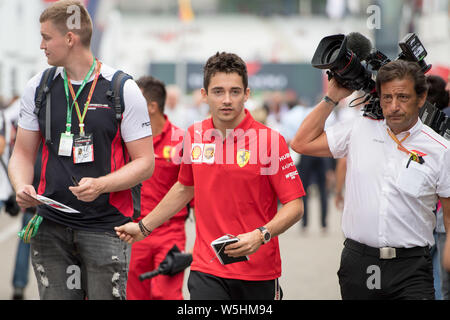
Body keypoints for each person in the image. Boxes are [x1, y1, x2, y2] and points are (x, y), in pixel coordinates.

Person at [116, 52, 305, 300]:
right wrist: (143, 227)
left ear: (247, 94)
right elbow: (184, 188)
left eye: (235, 91)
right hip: (207, 268)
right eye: (218, 91)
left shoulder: (270, 140)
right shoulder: (194, 136)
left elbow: (295, 206)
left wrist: (261, 235)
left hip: (259, 272)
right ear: (204, 95)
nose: (226, 100)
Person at [8, 0, 154, 300]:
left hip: (105, 227)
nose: (41, 45)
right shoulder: (39, 87)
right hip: (50, 225)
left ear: (70, 38)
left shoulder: (122, 89)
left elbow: (145, 163)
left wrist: (102, 185)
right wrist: (21, 185)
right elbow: (22, 153)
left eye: (47, 37)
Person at [290, 60, 450, 300]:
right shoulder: (359, 128)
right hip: (359, 264)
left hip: (411, 268)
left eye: (403, 97)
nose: (394, 106)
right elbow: (301, 143)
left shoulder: (441, 150)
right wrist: (331, 96)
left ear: (421, 97)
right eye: (387, 98)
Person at [126, 76, 188, 300]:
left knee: (166, 294)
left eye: (135, 100)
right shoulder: (127, 140)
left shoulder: (182, 141)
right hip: (134, 233)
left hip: (170, 232)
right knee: (134, 296)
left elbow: (195, 192)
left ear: (151, 107)